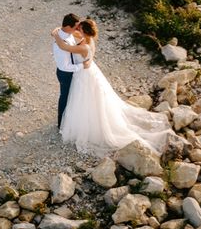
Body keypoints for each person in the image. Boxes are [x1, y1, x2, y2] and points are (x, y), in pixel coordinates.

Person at [51, 18, 174, 155]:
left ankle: (84, 125)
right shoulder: (90, 40)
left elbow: (65, 47)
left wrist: (56, 35)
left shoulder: (83, 46)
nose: (76, 30)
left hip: (84, 75)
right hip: (90, 72)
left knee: (83, 99)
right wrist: (59, 30)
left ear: (84, 31)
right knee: (92, 99)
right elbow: (83, 48)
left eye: (79, 28)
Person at [53, 12, 84, 128]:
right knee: (65, 98)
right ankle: (61, 124)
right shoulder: (61, 44)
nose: (77, 29)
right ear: (68, 27)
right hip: (66, 74)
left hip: (71, 71)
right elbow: (65, 66)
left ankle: (71, 119)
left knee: (73, 96)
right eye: (76, 27)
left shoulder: (66, 33)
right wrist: (81, 66)